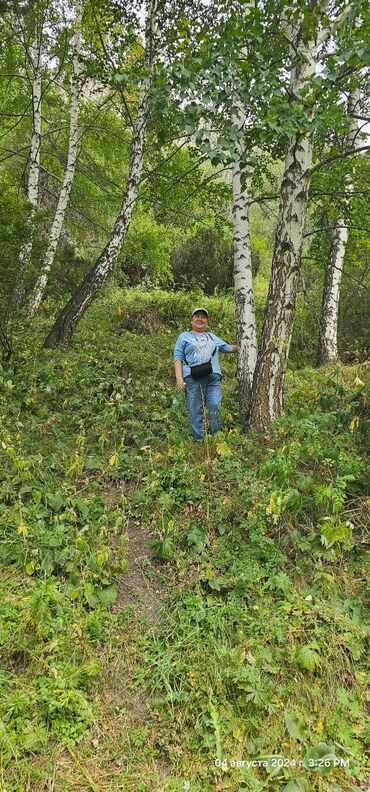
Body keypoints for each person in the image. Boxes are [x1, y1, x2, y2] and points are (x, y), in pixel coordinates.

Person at [173, 307, 237, 442]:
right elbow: (178, 358)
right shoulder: (184, 336)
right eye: (197, 316)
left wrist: (247, 342)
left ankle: (216, 439)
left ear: (207, 321)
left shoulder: (211, 337)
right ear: (191, 320)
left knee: (215, 405)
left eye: (203, 317)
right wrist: (179, 379)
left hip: (213, 378)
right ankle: (199, 441)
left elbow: (228, 348)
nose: (200, 319)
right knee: (195, 410)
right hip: (192, 378)